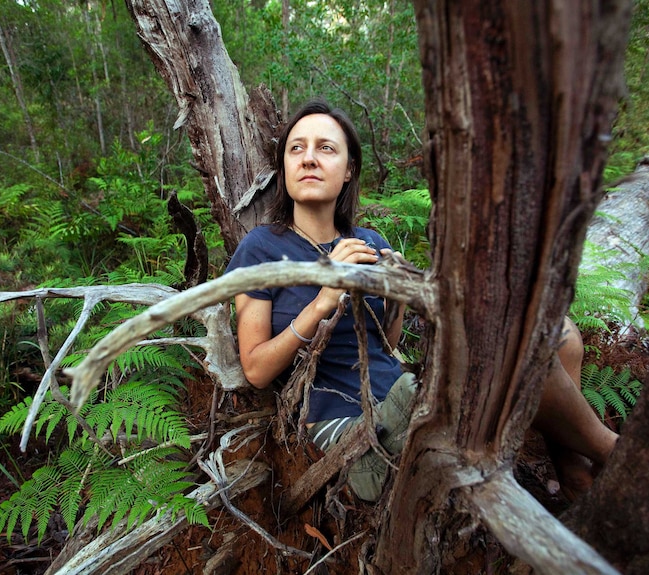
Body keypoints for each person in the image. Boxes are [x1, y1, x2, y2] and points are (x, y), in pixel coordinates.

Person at [225, 98, 617, 502]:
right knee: (510, 348)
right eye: (296, 148)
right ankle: (612, 452)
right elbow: (255, 369)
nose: (308, 159)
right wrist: (324, 300)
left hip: (401, 392)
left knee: (561, 334)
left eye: (325, 148)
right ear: (285, 167)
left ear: (348, 170)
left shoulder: (369, 243)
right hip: (352, 428)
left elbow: (385, 347)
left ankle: (574, 474)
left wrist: (396, 297)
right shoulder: (262, 248)